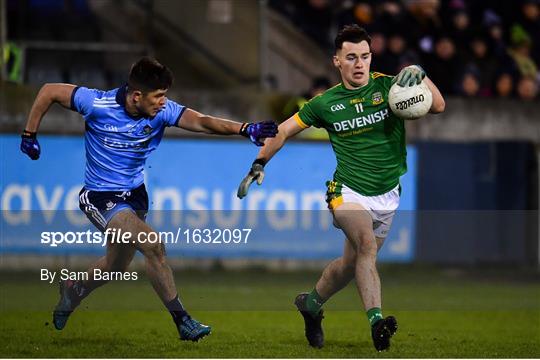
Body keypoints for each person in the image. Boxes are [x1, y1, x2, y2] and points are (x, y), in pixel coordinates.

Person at [20, 57, 277, 341]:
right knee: (153, 244)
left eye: (165, 96)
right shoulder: (96, 103)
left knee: (116, 265)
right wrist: (29, 132)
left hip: (136, 196)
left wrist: (244, 129)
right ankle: (183, 320)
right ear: (136, 96)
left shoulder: (162, 112)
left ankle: (74, 288)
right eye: (158, 96)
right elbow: (49, 91)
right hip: (101, 197)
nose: (163, 103)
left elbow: (202, 122)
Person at [237, 25, 445, 352]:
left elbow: (438, 106)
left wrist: (421, 75)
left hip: (388, 193)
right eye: (351, 57)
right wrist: (260, 162)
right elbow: (284, 130)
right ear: (337, 61)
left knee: (350, 266)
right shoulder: (326, 103)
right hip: (346, 190)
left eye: (364, 56)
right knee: (366, 246)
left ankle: (311, 305)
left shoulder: (392, 88)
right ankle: (377, 322)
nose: (359, 63)